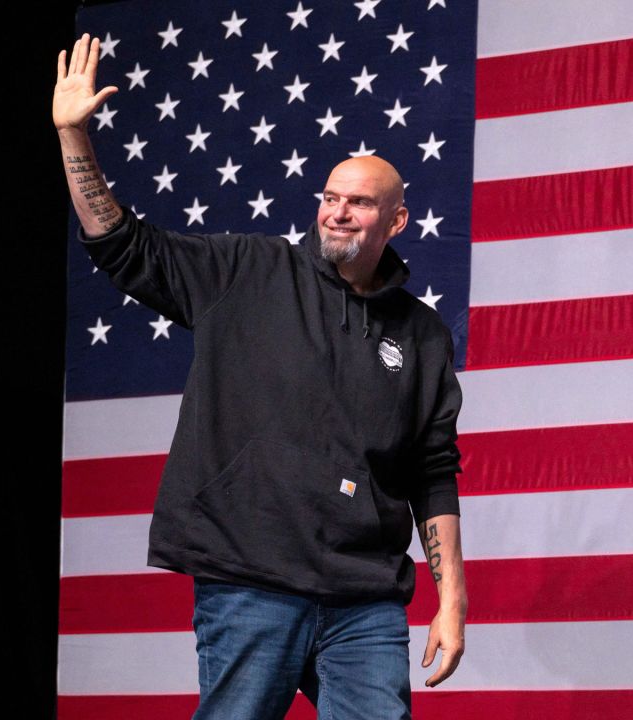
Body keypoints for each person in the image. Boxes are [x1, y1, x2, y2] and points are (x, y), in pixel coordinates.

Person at [53, 34, 467, 719]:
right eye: (330, 196)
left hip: (364, 597)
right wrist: (74, 138)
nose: (337, 212)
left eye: (359, 203)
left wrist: (452, 601)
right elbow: (121, 244)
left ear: (396, 220)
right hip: (250, 580)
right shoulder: (247, 270)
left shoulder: (421, 334)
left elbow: (433, 469)